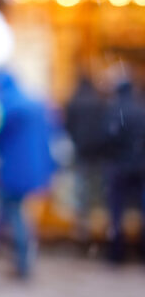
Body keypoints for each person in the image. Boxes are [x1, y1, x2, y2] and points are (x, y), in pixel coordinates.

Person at [0, 69, 55, 278]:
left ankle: (22, 263)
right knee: (13, 210)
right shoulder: (35, 102)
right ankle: (1, 249)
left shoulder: (6, 104)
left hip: (13, 168)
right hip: (34, 167)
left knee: (15, 213)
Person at [103, 80, 145, 263]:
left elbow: (107, 137)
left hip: (118, 166)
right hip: (141, 166)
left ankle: (116, 253)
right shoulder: (141, 110)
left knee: (116, 211)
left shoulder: (114, 110)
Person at [65, 76, 109, 246]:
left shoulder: (74, 101)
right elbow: (105, 126)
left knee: (81, 185)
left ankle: (82, 224)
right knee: (97, 185)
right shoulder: (99, 102)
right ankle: (98, 221)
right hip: (97, 151)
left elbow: (68, 125)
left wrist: (77, 139)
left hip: (81, 149)